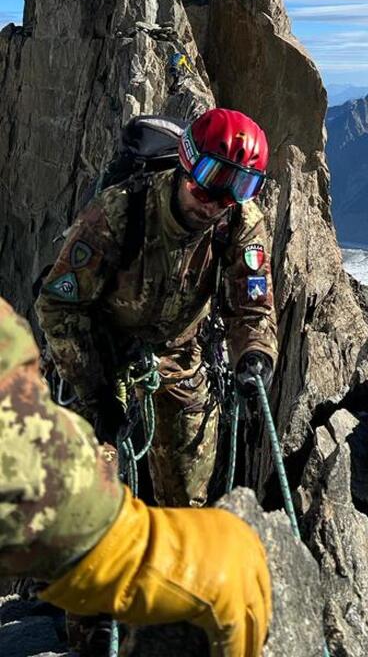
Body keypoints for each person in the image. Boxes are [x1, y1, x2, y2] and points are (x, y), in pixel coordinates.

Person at [0, 294, 271, 656]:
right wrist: (133, 554)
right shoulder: (105, 235)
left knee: (182, 493)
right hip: (105, 365)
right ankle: (91, 634)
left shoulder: (226, 233)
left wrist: (254, 348)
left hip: (176, 367)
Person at [35, 107, 279, 509]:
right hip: (103, 354)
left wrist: (255, 355)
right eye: (211, 181)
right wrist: (97, 395)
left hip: (182, 355)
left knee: (186, 501)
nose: (217, 202)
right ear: (186, 164)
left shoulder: (238, 221)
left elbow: (252, 305)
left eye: (241, 185)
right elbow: (60, 306)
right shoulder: (119, 212)